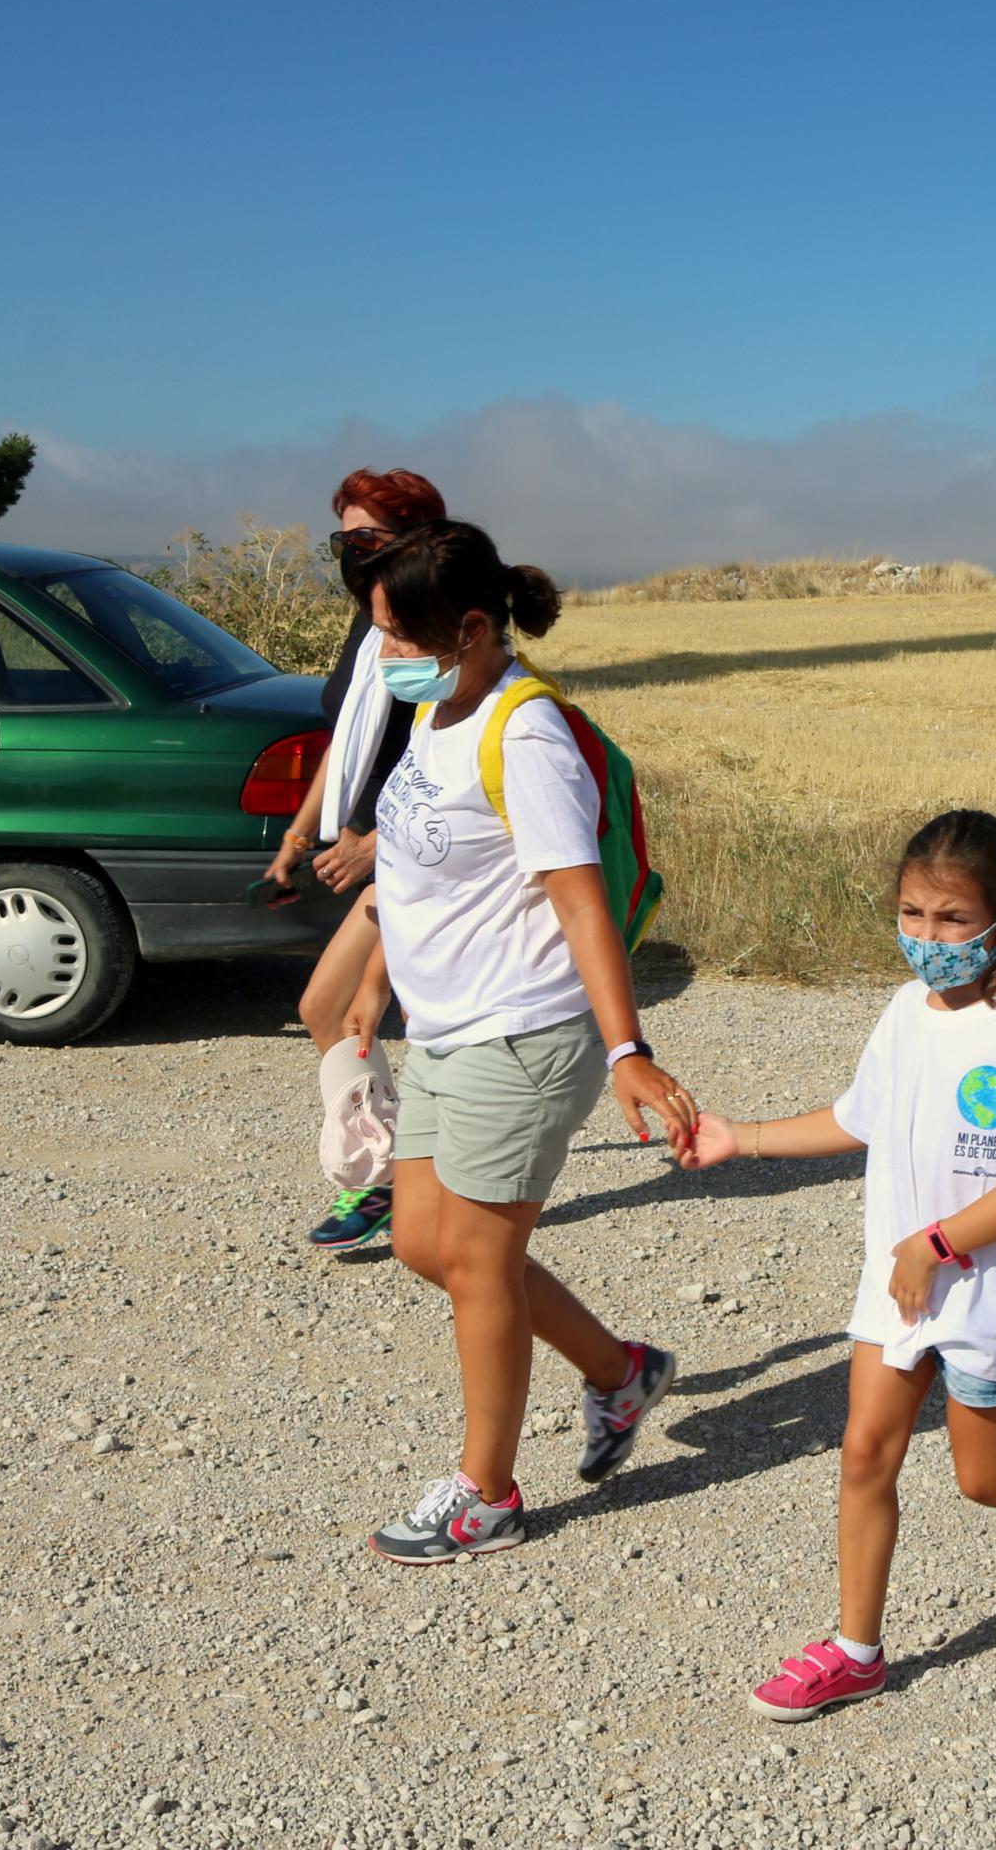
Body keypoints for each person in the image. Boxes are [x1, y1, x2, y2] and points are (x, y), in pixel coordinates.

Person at [678, 810, 996, 1720]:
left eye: (951, 920)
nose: (929, 940)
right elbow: (857, 1118)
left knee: (986, 1478)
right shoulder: (905, 1012)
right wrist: (740, 1138)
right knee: (865, 1454)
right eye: (912, 914)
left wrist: (934, 1244)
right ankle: (857, 1649)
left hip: (980, 1293)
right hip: (898, 1289)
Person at [356, 519, 698, 1563]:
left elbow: (582, 903)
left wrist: (626, 1046)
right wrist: (374, 984)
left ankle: (486, 1492)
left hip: (526, 1033)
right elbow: (415, 865)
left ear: (467, 628)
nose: (385, 655)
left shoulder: (527, 734)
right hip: (448, 1032)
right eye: (376, 633)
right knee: (426, 1241)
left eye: (399, 637)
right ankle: (620, 1369)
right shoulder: (441, 712)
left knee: (477, 1259)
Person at [263, 468, 444, 1253]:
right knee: (332, 1011)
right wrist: (301, 835)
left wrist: (373, 843)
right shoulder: (370, 626)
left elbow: (450, 752)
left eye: (367, 539)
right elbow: (346, 739)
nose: (350, 554)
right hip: (375, 848)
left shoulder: (428, 630)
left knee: (333, 1008)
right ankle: (397, 1168)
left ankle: (387, 1177)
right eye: (344, 540)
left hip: (416, 853)